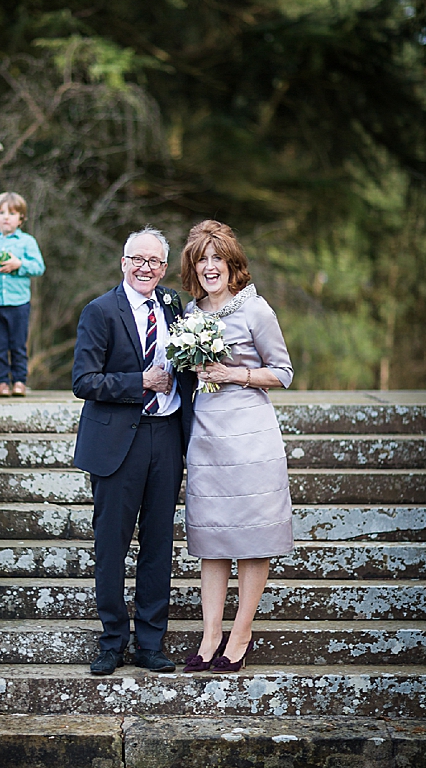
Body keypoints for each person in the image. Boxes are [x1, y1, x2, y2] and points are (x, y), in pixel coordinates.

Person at [72, 227, 192, 676]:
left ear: (164, 268)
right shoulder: (100, 311)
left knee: (159, 543)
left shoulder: (174, 306)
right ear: (124, 262)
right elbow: (84, 381)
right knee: (112, 545)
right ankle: (111, 641)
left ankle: (149, 642)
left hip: (166, 436)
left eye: (156, 262)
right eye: (138, 260)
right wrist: (140, 381)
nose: (146, 268)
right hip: (116, 440)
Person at [180, 219, 294, 674]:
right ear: (194, 267)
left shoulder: (256, 310)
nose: (210, 267)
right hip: (207, 434)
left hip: (251, 435)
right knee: (211, 539)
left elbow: (282, 372)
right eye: (201, 259)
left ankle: (240, 635)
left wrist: (235, 374)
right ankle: (209, 637)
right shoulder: (190, 316)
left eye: (217, 259)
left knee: (251, 538)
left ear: (232, 265)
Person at [0, 191, 45, 397]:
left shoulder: (27, 242)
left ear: (21, 218)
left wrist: (20, 264)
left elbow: (39, 267)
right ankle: (1, 382)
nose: (6, 217)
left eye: (12, 213)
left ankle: (19, 381)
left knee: (17, 345)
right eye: (1, 212)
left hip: (19, 302)